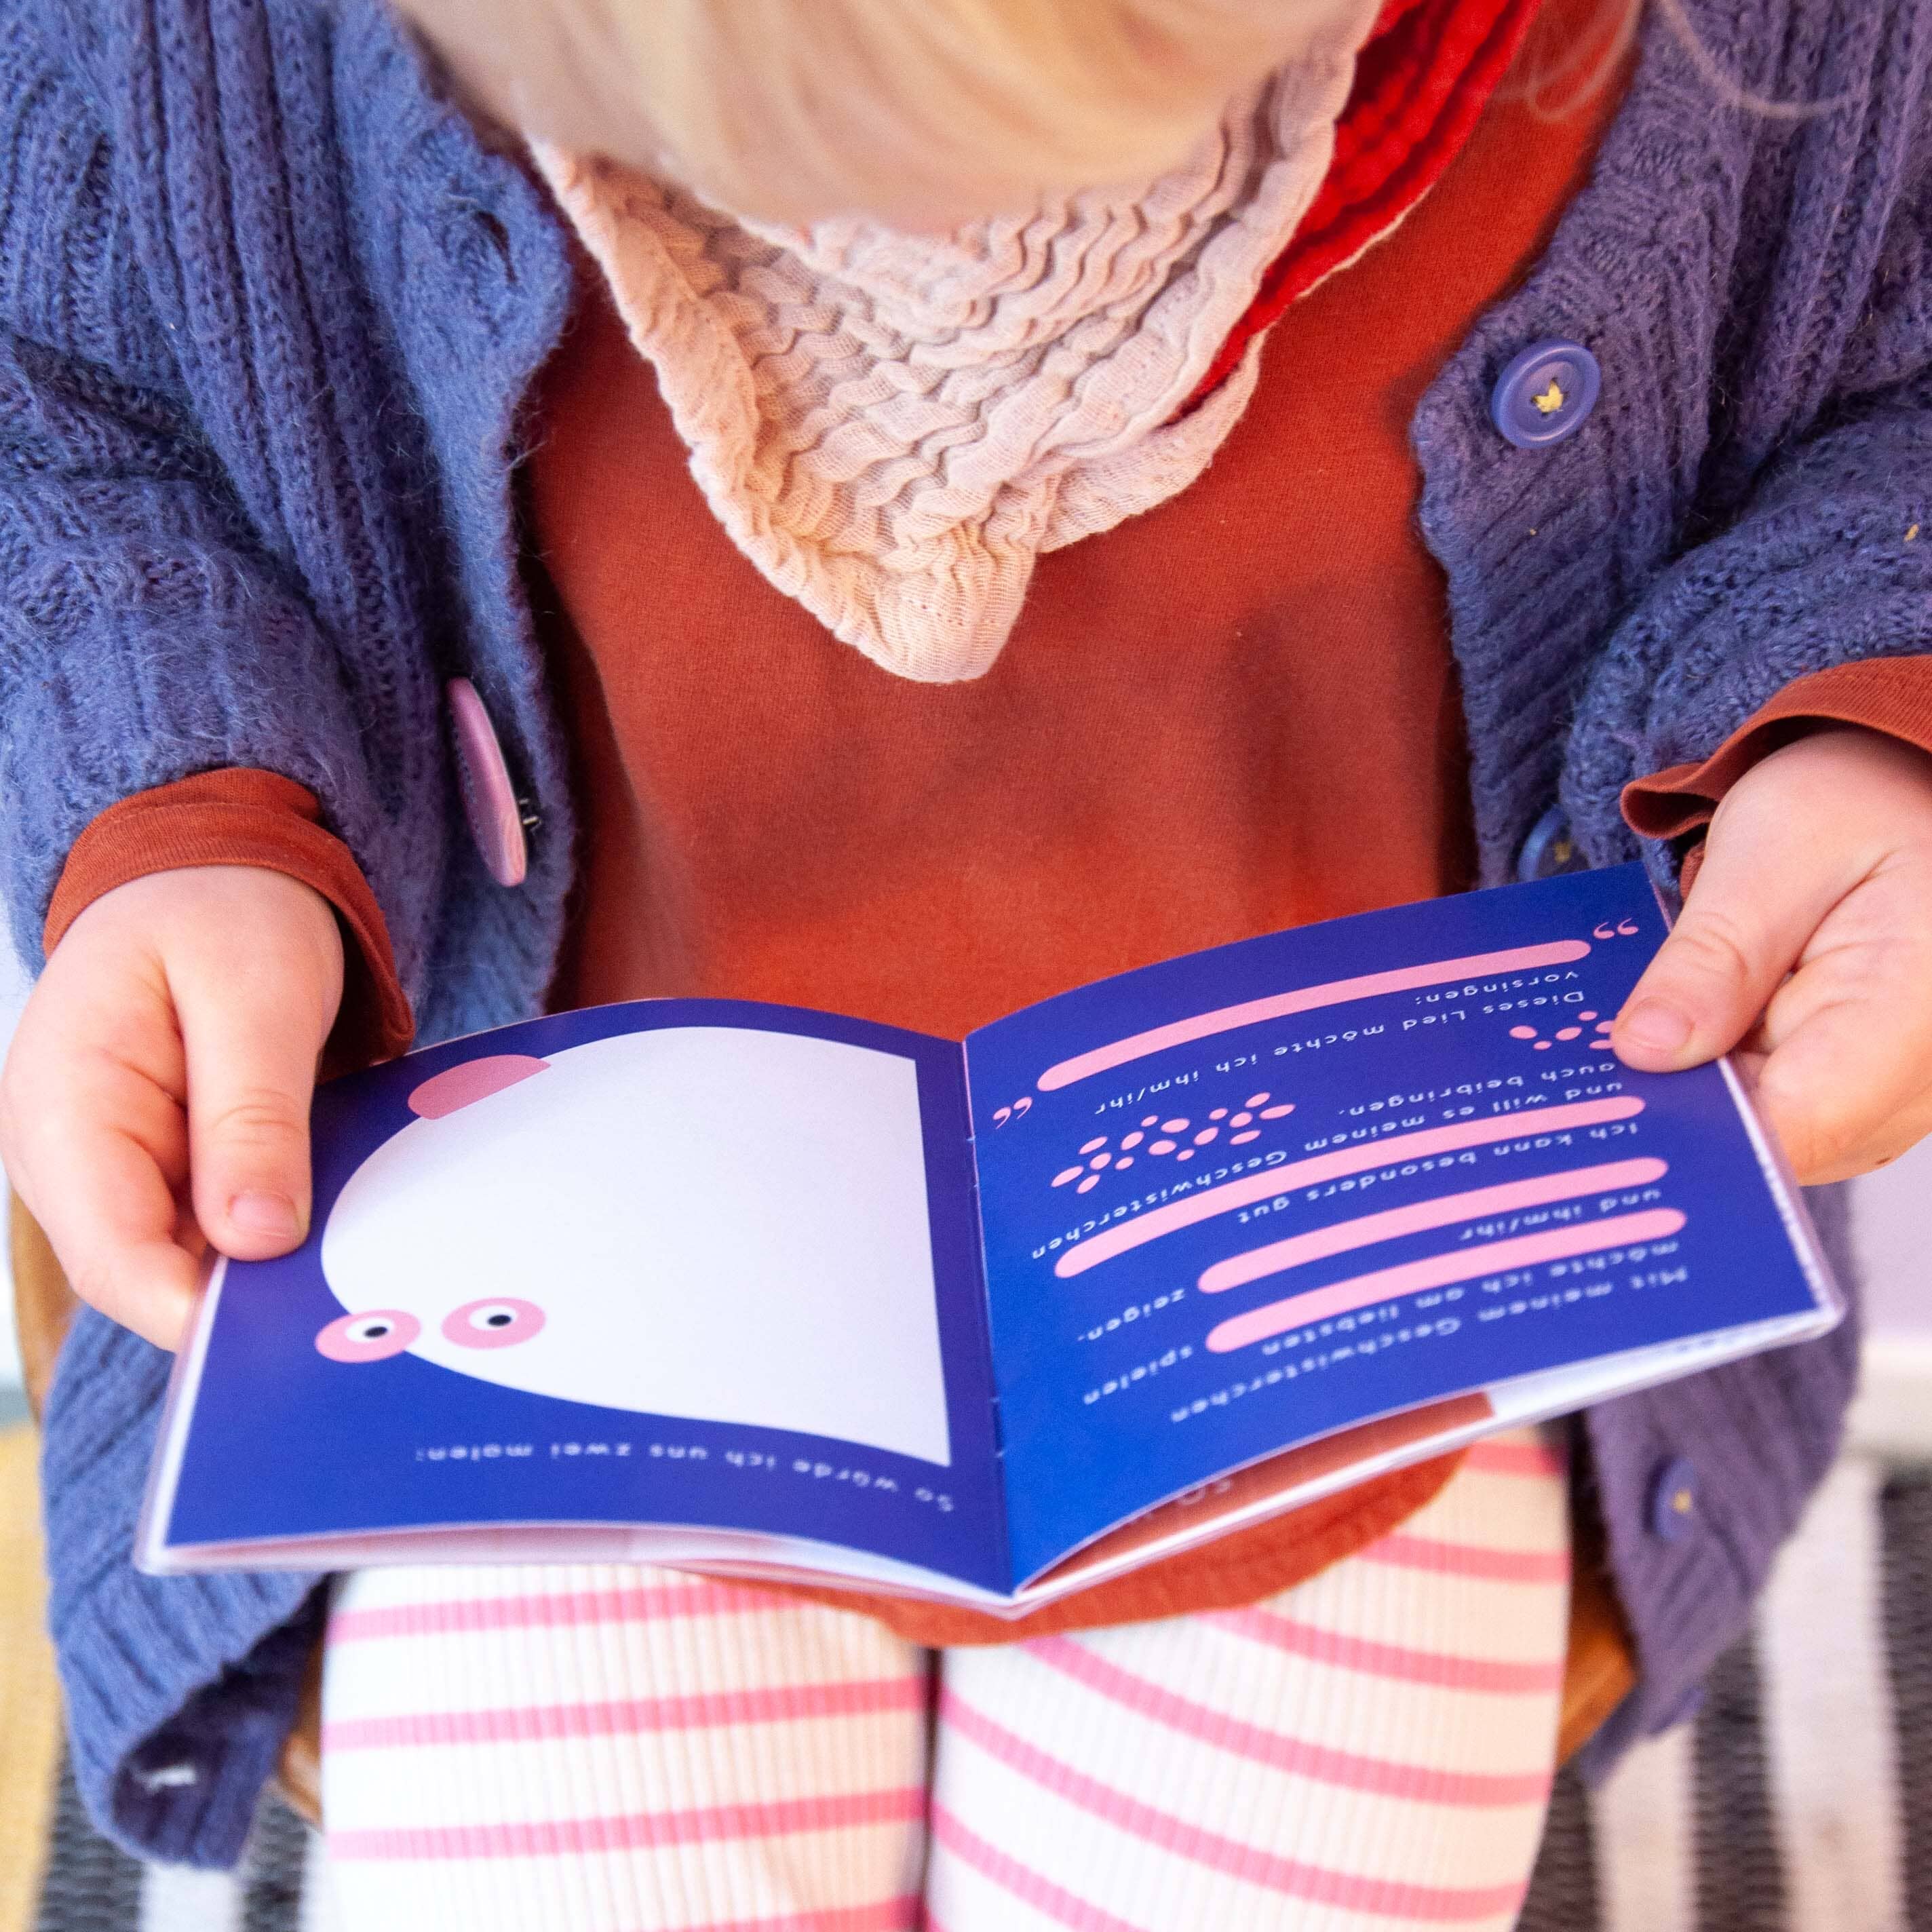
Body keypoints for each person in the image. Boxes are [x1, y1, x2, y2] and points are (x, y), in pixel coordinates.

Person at [2, 0, 1928, 1923]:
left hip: (1374, 1298)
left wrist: (1871, 714)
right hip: (542, 1290)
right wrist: (177, 797)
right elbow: (68, 399)